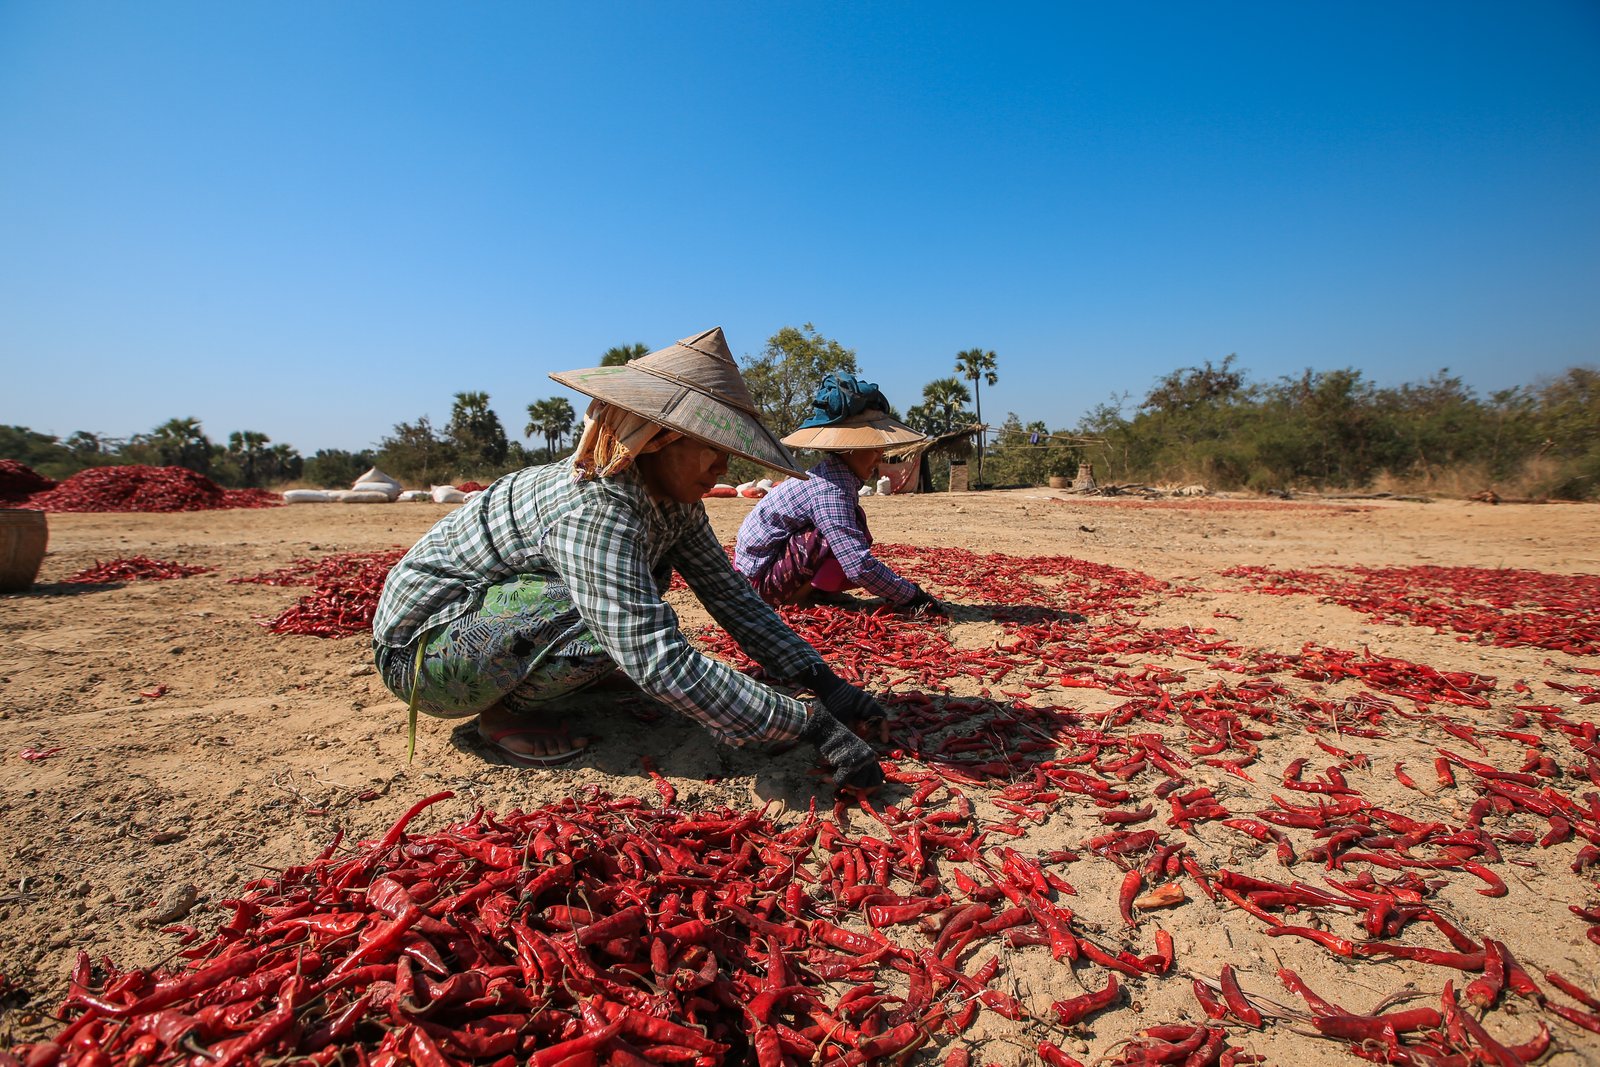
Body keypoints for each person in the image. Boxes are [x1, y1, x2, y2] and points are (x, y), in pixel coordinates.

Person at [370, 327, 885, 792]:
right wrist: (810, 725)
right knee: (609, 618)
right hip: (421, 654)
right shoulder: (595, 506)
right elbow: (654, 656)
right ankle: (501, 715)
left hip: (479, 627)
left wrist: (820, 680)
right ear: (656, 440)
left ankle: (550, 676)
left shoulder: (675, 504)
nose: (723, 467)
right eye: (712, 449)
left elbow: (731, 597)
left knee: (624, 604)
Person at [734, 374, 946, 615]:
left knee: (851, 524)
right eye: (873, 448)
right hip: (758, 584)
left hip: (762, 572)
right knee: (826, 536)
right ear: (850, 448)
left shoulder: (834, 476)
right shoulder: (830, 491)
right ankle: (795, 599)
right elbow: (858, 565)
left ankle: (813, 590)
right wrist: (914, 597)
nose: (880, 456)